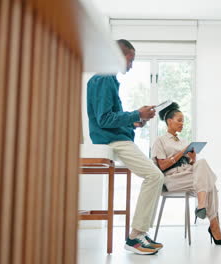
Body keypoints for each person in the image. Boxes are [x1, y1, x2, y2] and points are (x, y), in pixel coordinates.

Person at [87, 39, 164, 255]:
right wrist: (137, 114)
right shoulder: (105, 79)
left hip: (114, 137)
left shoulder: (104, 79)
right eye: (130, 60)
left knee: (154, 177)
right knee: (155, 176)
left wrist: (134, 121)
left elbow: (110, 116)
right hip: (112, 140)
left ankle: (140, 233)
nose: (131, 65)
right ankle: (135, 237)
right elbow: (104, 119)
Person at [152, 102, 221, 245]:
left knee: (201, 163)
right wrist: (182, 153)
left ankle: (201, 206)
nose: (182, 124)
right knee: (211, 184)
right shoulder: (160, 141)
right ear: (169, 121)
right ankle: (214, 226)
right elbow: (162, 166)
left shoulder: (183, 140)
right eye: (179, 120)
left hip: (189, 175)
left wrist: (192, 159)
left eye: (183, 121)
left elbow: (194, 165)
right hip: (172, 178)